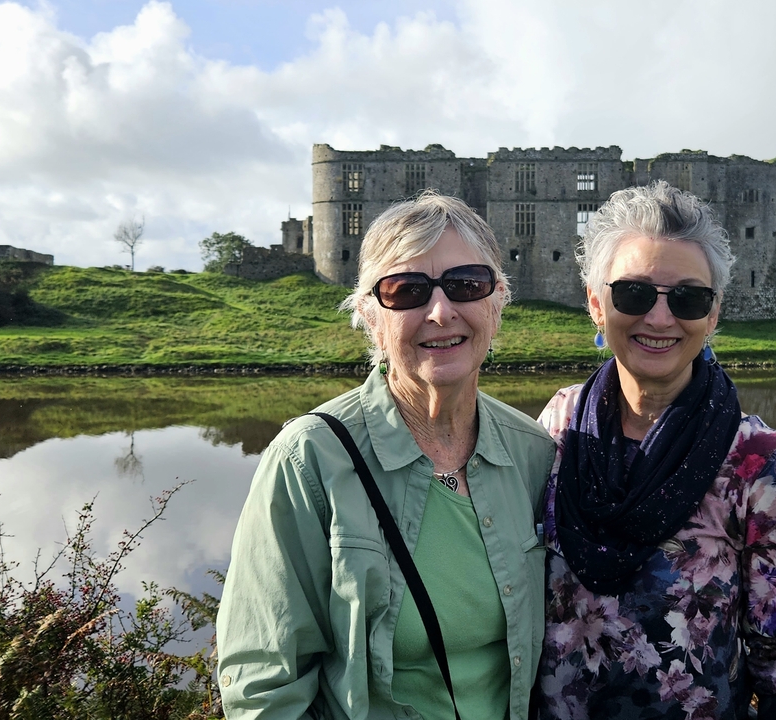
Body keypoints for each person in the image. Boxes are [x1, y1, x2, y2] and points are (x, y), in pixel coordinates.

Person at [216, 191, 555, 719]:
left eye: (467, 284)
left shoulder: (535, 453)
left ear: (497, 302)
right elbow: (266, 689)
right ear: (370, 317)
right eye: (407, 290)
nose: (441, 312)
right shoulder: (310, 460)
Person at [536, 182, 776, 720]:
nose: (660, 319)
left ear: (712, 316)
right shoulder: (559, 425)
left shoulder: (758, 462)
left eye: (688, 298)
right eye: (633, 294)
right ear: (597, 305)